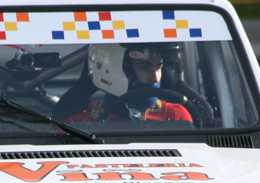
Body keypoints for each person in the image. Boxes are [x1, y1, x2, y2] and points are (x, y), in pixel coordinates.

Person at [61, 44, 193, 124]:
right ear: (114, 69)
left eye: (159, 66)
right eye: (144, 67)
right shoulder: (83, 122)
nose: (155, 78)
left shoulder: (175, 115)